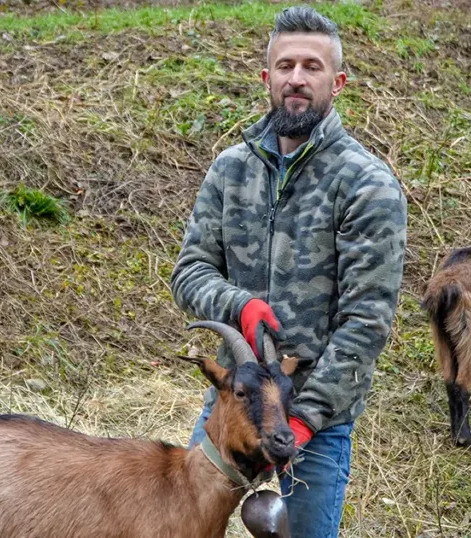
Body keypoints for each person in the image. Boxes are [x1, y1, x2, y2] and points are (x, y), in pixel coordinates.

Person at [170, 5, 408, 537]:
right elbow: (190, 271)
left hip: (314, 420)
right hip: (233, 407)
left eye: (311, 66)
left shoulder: (367, 184)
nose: (296, 78)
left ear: (337, 82)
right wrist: (240, 305)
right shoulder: (231, 169)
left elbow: (367, 322)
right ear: (267, 77)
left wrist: (301, 420)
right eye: (285, 66)